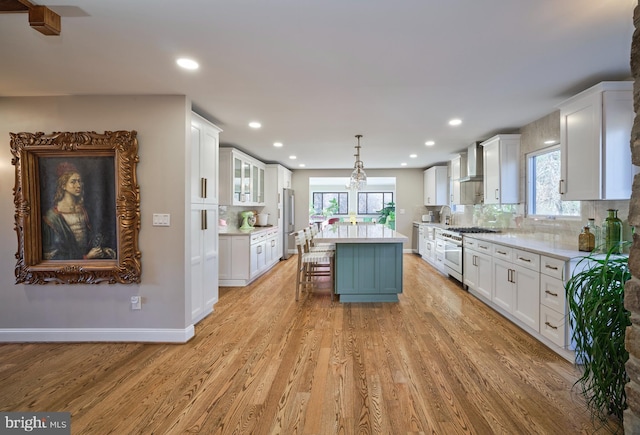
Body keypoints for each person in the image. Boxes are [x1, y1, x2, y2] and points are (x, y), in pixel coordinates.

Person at [42, 161, 116, 260]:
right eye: (73, 182)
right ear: (63, 185)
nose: (78, 185)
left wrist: (101, 250)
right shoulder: (52, 217)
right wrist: (87, 257)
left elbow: (88, 241)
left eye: (79, 181)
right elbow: (53, 256)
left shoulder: (83, 211)